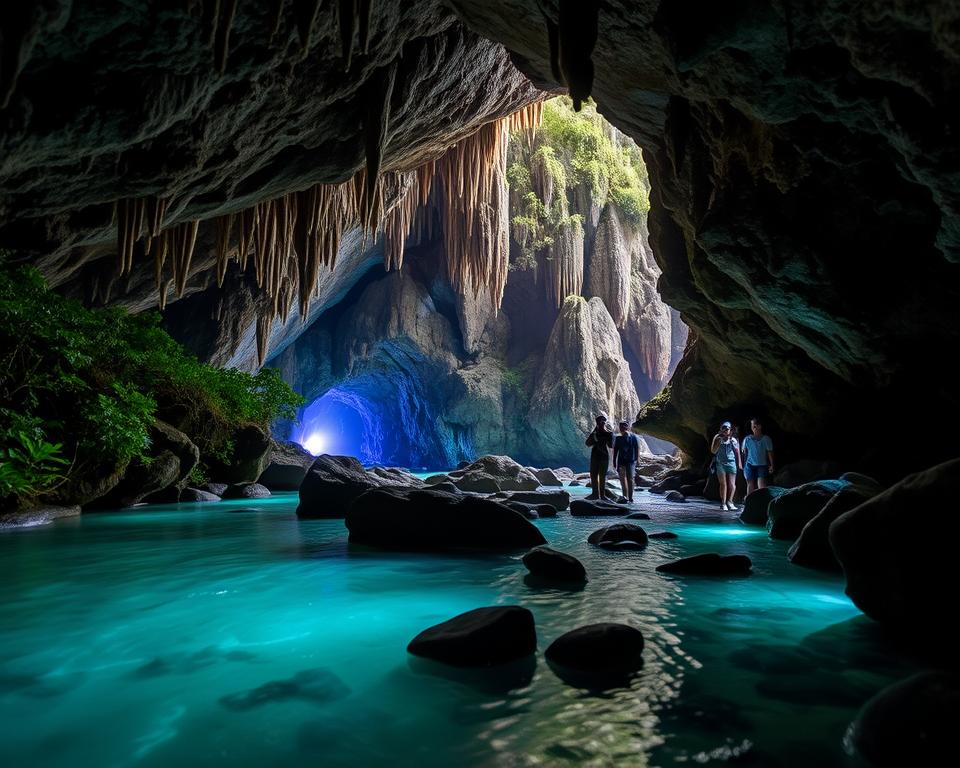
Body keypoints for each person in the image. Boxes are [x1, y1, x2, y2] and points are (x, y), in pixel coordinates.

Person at [710, 420, 741, 510]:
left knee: (732, 484)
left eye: (727, 429)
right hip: (720, 463)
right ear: (720, 429)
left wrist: (739, 464)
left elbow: (737, 451)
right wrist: (718, 442)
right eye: (723, 429)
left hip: (731, 463)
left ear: (730, 430)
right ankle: (723, 503)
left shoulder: (733, 439)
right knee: (723, 484)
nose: (725, 431)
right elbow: (713, 451)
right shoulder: (717, 437)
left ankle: (730, 502)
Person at [585, 411, 614, 500]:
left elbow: (611, 445)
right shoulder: (594, 433)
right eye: (600, 422)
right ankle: (595, 494)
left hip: (603, 457)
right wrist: (594, 436)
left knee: (602, 476)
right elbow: (587, 443)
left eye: (603, 422)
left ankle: (602, 495)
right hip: (595, 456)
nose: (601, 424)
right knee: (593, 475)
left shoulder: (608, 433)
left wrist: (609, 437)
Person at [742, 417, 775, 494]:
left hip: (762, 464)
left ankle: (762, 503)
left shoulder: (766, 439)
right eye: (752, 425)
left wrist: (772, 465)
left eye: (754, 425)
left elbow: (770, 452)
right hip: (749, 464)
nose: (752, 427)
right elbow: (744, 453)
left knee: (761, 484)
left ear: (759, 426)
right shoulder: (747, 439)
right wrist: (743, 466)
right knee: (750, 484)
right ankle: (749, 503)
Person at [613, 419, 641, 503]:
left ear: (627, 427)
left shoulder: (633, 437)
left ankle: (631, 497)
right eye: (621, 426)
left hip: (631, 461)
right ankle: (625, 496)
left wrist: (637, 459)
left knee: (630, 479)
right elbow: (615, 450)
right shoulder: (618, 438)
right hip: (621, 461)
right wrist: (614, 461)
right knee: (622, 479)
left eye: (624, 426)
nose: (622, 428)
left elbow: (637, 448)